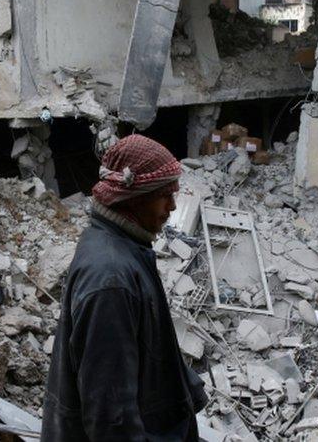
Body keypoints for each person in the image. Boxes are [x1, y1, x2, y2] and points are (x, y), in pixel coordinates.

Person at [41, 135, 208, 441]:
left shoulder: (120, 245)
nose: (172, 206)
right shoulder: (111, 280)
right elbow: (111, 418)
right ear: (135, 198)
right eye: (164, 196)